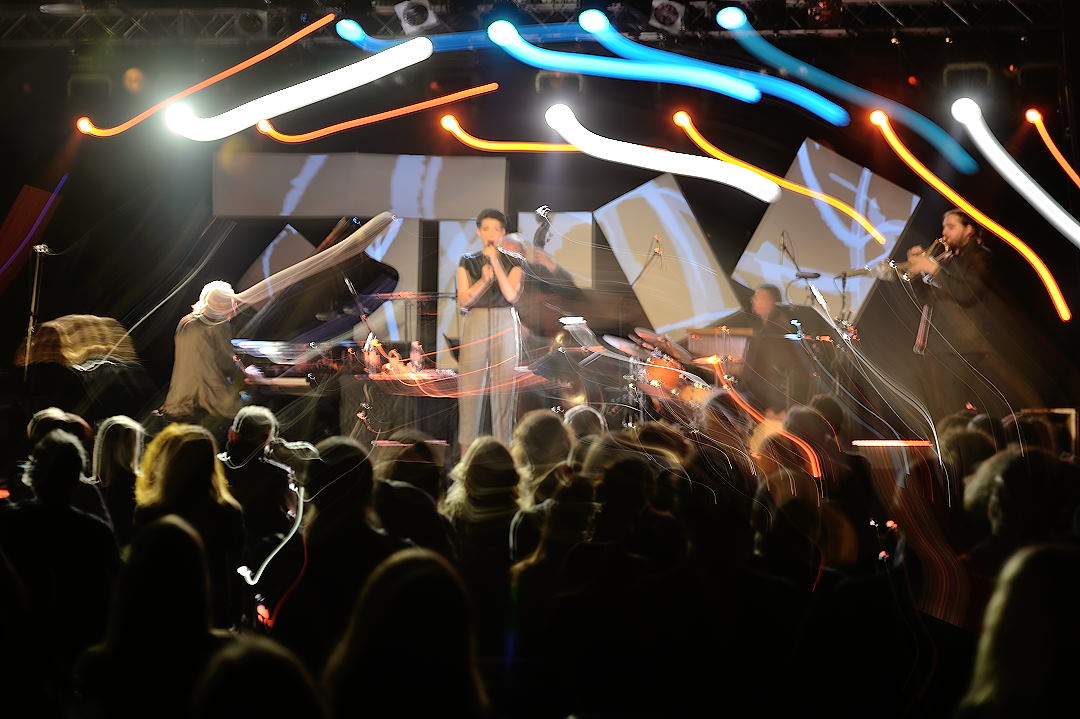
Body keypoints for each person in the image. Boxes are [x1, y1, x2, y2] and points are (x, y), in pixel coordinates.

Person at [904, 209, 1029, 422]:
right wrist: (916, 275)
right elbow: (928, 298)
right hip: (937, 346)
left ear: (969, 229)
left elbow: (965, 293)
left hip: (962, 348)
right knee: (937, 412)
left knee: (951, 409)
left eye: (951, 226)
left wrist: (934, 269)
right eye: (944, 226)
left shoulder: (982, 257)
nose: (945, 232)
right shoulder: (946, 260)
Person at [455, 209, 525, 452]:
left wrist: (496, 261)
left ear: (503, 232)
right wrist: (484, 280)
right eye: (486, 229)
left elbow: (511, 295)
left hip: (505, 320)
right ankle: (466, 455)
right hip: (476, 320)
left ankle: (504, 450)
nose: (491, 233)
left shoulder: (515, 261)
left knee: (504, 388)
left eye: (496, 229)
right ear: (479, 232)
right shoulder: (467, 260)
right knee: (470, 388)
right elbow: (464, 300)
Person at [159, 281, 245, 436]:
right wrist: (244, 370)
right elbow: (226, 365)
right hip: (210, 400)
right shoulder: (219, 324)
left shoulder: (186, 321)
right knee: (252, 407)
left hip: (178, 401)